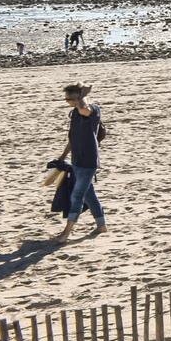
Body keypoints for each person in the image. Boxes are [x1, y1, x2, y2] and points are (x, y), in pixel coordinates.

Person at [56, 82, 108, 241]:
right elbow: (72, 138)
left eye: (69, 99)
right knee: (88, 194)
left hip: (88, 161)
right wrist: (63, 156)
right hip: (77, 160)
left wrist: (83, 95)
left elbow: (85, 110)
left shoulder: (93, 110)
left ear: (78, 98)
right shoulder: (74, 113)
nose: (67, 102)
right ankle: (101, 225)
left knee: (77, 195)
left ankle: (66, 232)